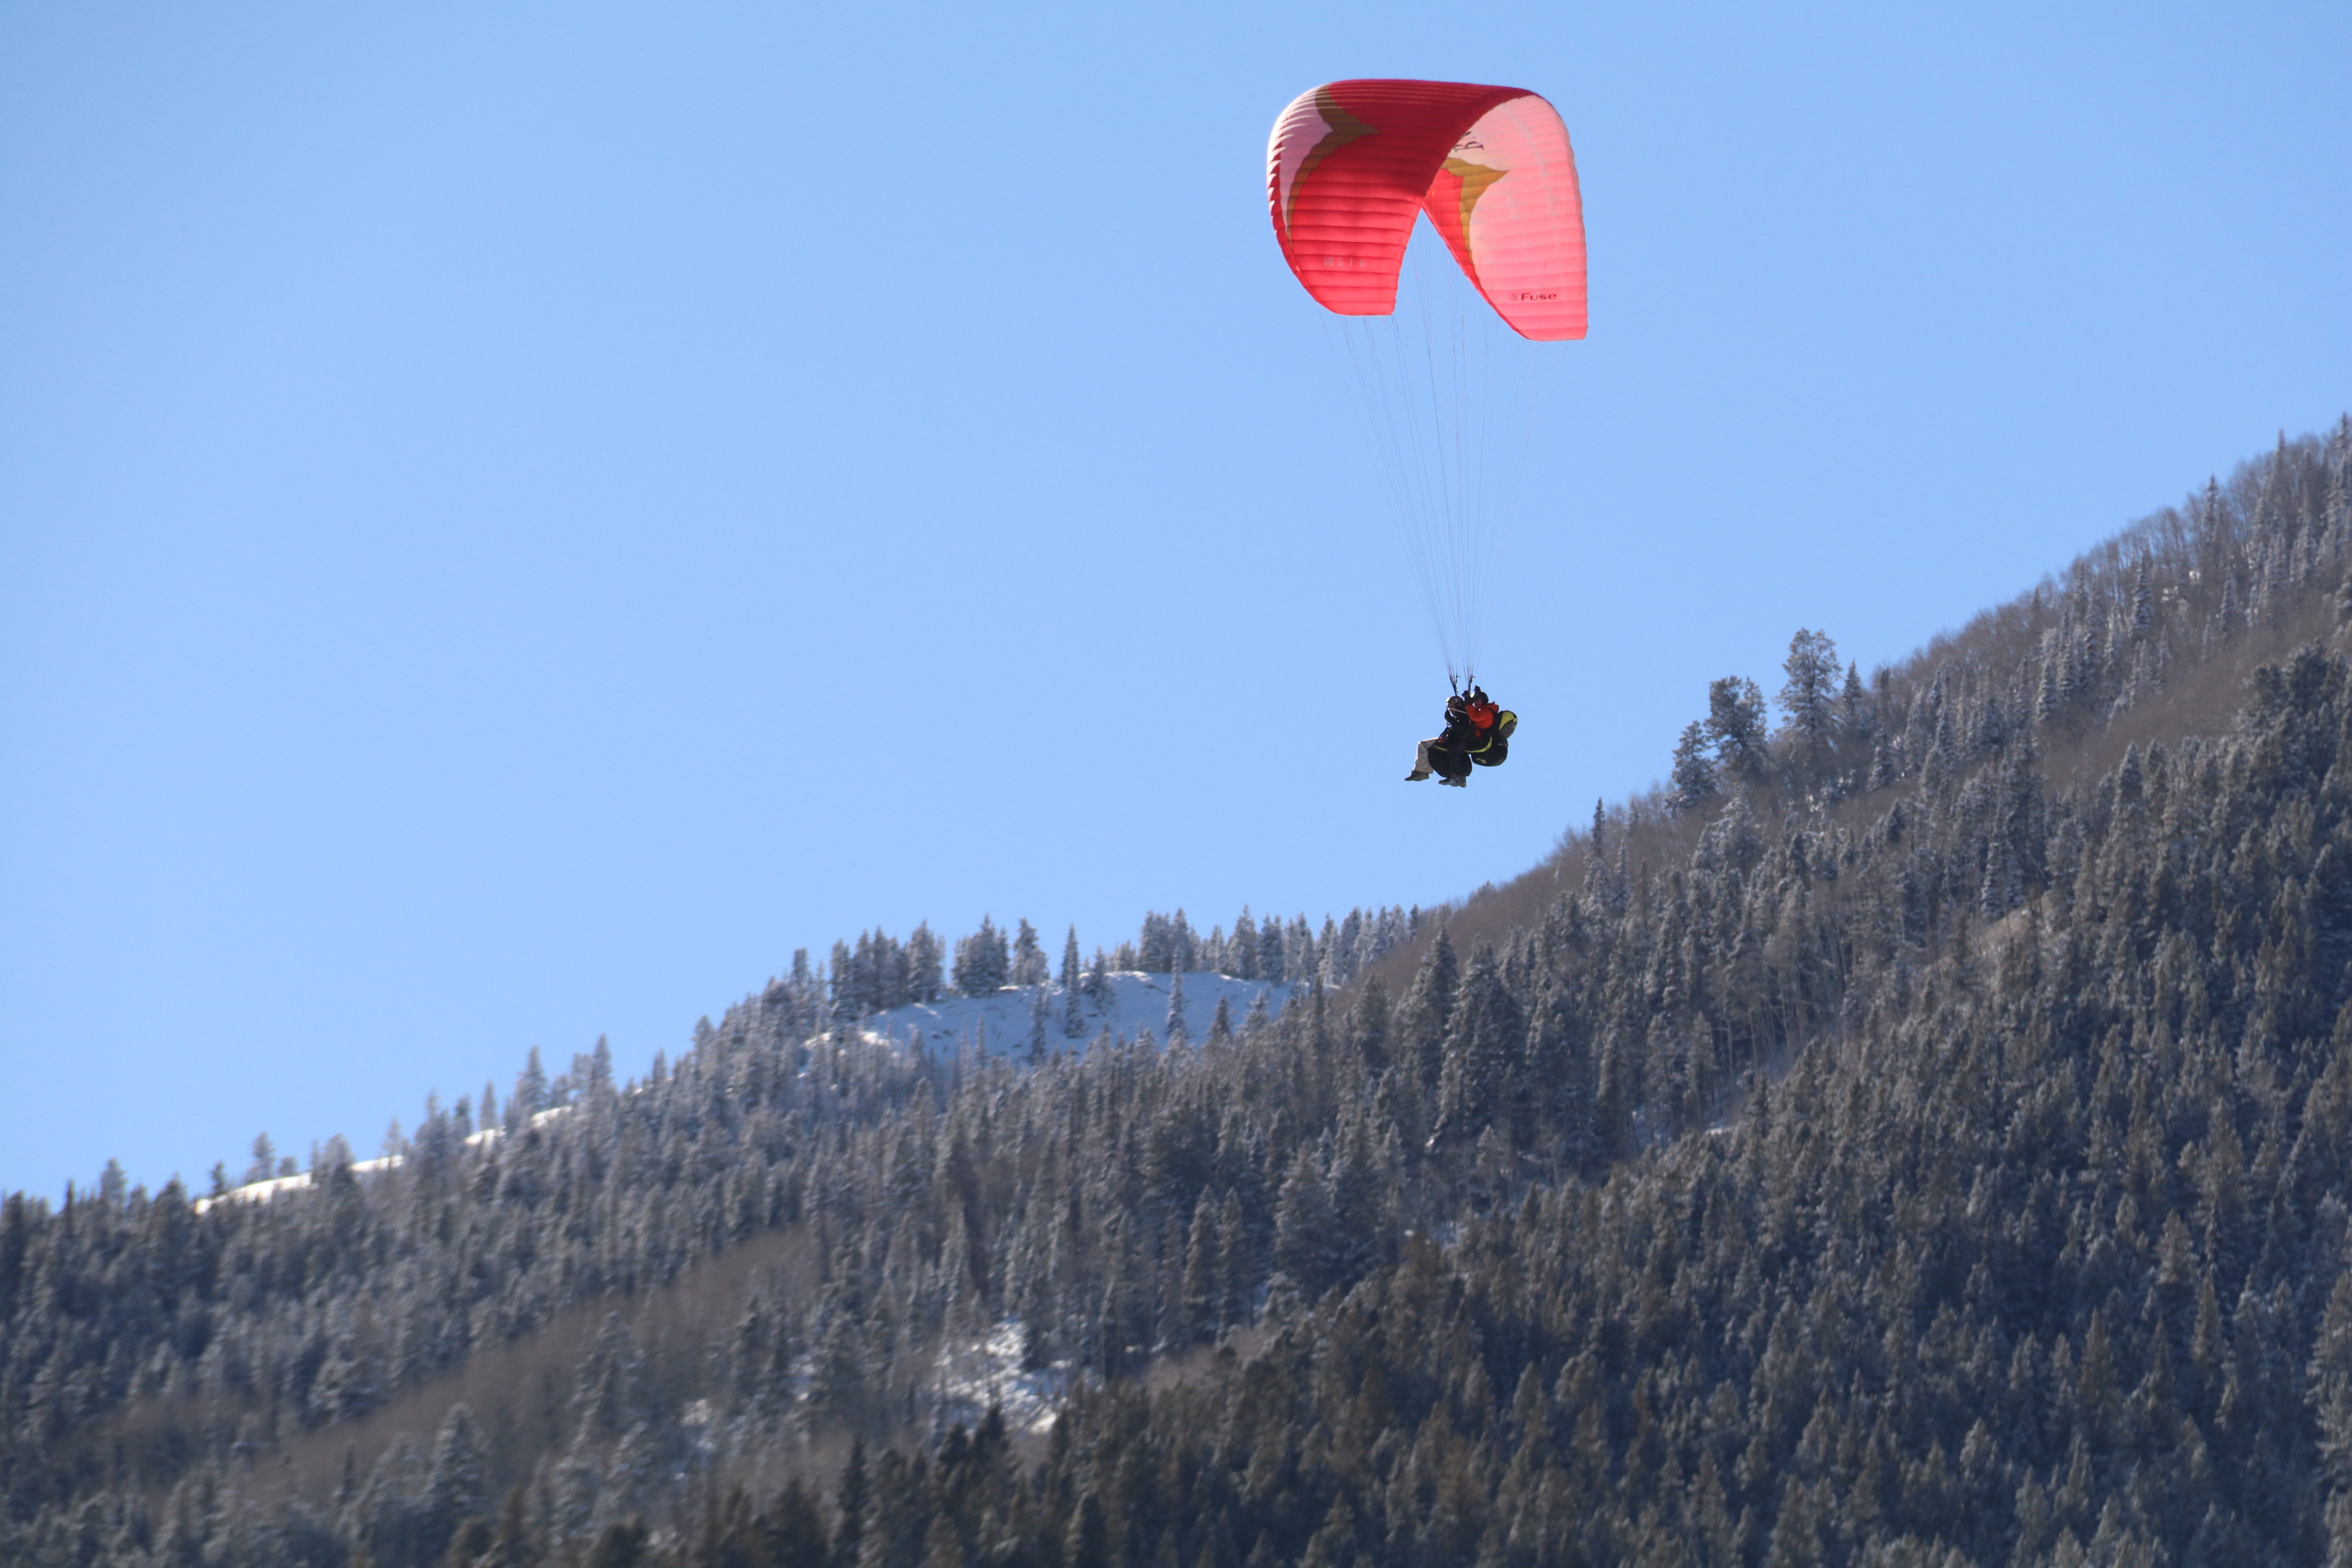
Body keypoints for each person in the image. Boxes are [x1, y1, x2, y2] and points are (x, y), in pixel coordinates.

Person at [1405, 686, 1516, 786]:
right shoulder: (1472, 712)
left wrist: (1461, 709)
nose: (1450, 709)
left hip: (1479, 742)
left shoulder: (1477, 713)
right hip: (1470, 740)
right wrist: (1474, 695)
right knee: (1452, 749)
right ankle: (1458, 777)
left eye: (1451, 706)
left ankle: (1451, 776)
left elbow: (1467, 724)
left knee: (1450, 749)